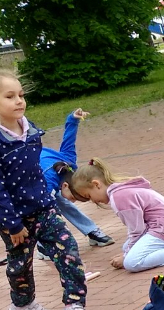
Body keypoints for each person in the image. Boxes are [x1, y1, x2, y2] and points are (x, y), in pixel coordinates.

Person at [0, 68, 94, 310]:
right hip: (14, 218)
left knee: (68, 249)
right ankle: (23, 303)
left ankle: (74, 306)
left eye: (21, 95)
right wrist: (11, 223)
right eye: (10, 96)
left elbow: (36, 170)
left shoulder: (31, 131)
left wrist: (47, 197)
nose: (19, 101)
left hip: (44, 208)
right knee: (21, 264)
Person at [68, 158, 164, 272]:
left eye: (89, 196)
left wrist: (126, 256)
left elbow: (136, 230)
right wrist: (127, 250)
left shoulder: (119, 197)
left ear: (96, 184)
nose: (93, 201)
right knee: (126, 247)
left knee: (132, 263)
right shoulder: (120, 190)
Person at [38, 108, 115, 257]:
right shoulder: (49, 181)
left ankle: (91, 231)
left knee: (62, 201)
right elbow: (44, 211)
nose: (73, 200)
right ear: (66, 185)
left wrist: (72, 119)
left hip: (44, 178)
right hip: (20, 178)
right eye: (74, 197)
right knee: (45, 210)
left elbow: (69, 139)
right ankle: (43, 245)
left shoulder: (69, 162)